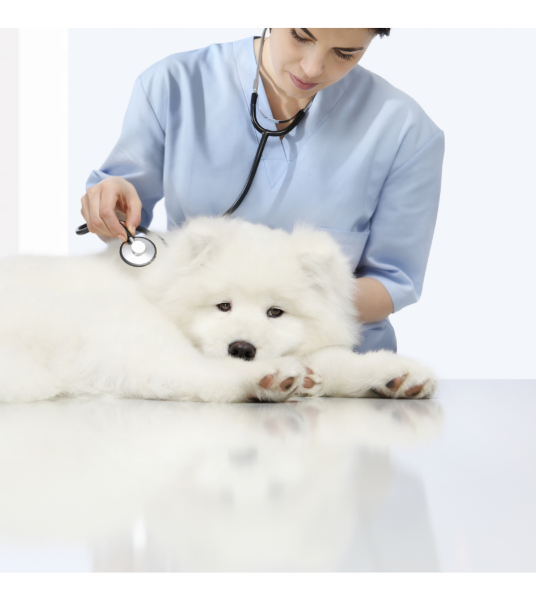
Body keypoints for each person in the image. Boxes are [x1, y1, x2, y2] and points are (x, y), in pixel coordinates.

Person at [80, 29, 444, 353]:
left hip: (332, 378)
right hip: (200, 362)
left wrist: (295, 307)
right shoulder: (174, 85)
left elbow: (394, 280)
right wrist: (111, 206)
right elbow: (125, 224)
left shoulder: (406, 131)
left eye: (345, 53)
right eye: (301, 36)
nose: (313, 67)